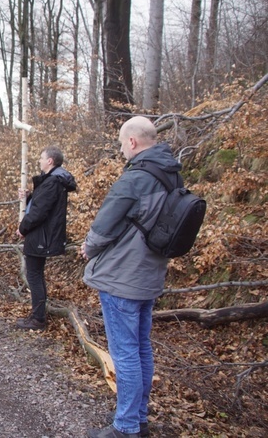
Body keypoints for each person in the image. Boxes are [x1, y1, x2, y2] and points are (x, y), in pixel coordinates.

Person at [81, 116, 181, 438]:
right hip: (150, 274)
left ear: (133, 142)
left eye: (123, 143)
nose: (122, 149)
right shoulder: (172, 175)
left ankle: (125, 428)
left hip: (123, 277)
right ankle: (138, 419)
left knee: (125, 353)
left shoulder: (135, 178)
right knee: (141, 349)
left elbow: (103, 225)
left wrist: (88, 248)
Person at [15, 146, 77, 331]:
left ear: (50, 161)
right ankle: (38, 315)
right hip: (41, 234)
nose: (40, 161)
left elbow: (39, 212)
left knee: (34, 275)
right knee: (36, 274)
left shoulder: (52, 182)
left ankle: (38, 319)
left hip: (40, 235)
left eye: (42, 158)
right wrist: (28, 197)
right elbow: (40, 203)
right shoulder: (53, 181)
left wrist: (23, 228)